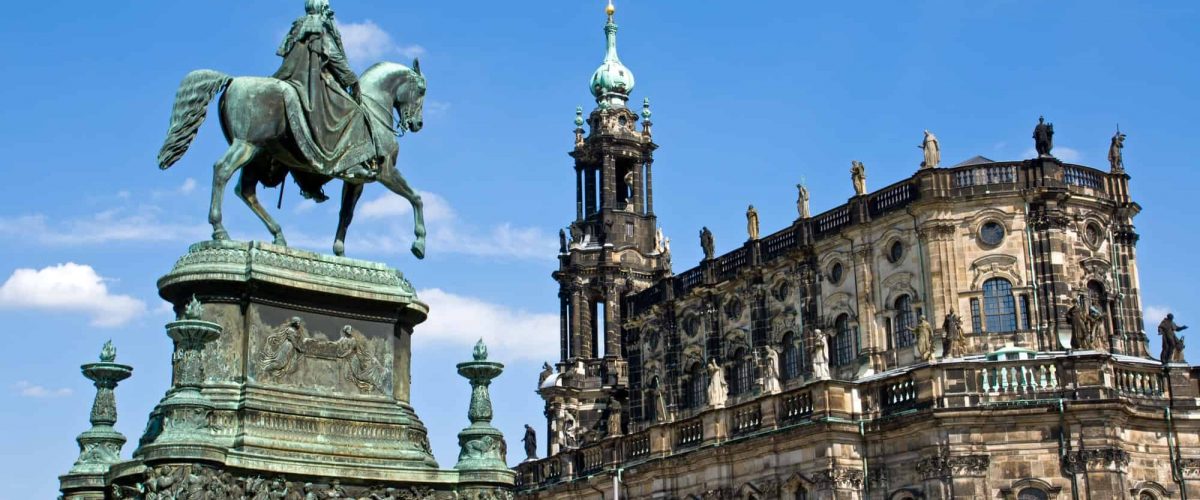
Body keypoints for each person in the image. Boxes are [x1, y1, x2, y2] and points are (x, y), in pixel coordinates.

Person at [274, 0, 375, 181]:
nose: (330, 14)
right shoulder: (320, 30)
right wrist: (353, 80)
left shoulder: (297, 29)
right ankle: (351, 164)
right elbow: (335, 59)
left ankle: (307, 180)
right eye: (328, 10)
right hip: (314, 85)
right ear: (322, 10)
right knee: (356, 112)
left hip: (292, 79)